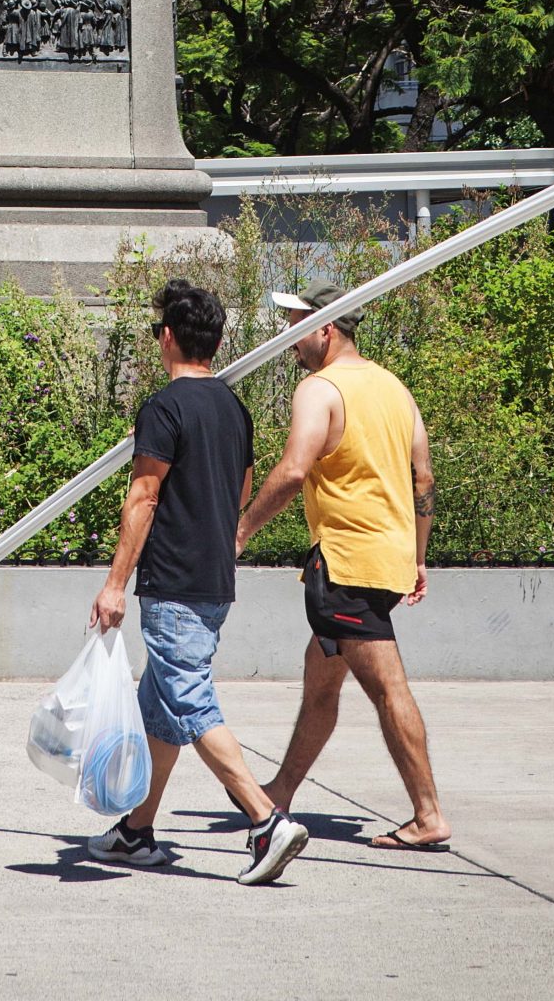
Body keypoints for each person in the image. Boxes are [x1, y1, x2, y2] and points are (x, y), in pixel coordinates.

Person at [87, 279, 309, 886]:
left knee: (188, 699)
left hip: (175, 582)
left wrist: (114, 584)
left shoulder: (164, 408)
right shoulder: (232, 408)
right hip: (215, 579)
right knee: (160, 710)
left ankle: (266, 821)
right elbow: (240, 490)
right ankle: (136, 831)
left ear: (166, 336)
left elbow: (144, 496)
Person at [236, 293, 450, 854]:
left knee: (388, 688)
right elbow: (422, 480)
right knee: (322, 683)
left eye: (295, 326)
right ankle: (280, 790)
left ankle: (428, 815)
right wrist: (418, 557)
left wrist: (240, 531)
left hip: (346, 565)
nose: (289, 338)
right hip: (386, 560)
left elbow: (293, 469)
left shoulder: (320, 390)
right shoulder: (394, 388)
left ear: (326, 329)